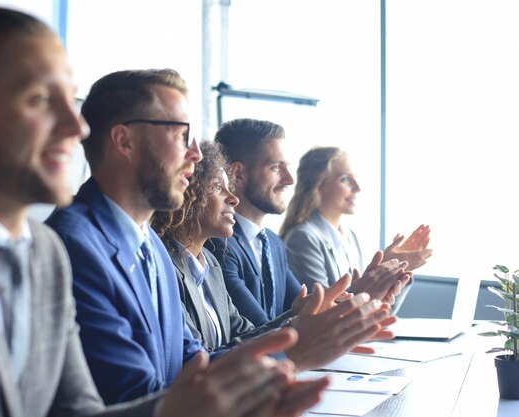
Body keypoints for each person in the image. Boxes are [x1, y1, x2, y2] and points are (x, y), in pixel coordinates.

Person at [0, 8, 329, 417]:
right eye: (41, 100)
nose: (78, 126)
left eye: (71, 99)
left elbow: (81, 410)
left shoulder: (43, 251)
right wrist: (289, 352)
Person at [45, 68, 345, 408]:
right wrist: (292, 349)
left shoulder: (154, 247)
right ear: (124, 140)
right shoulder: (71, 246)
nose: (196, 154)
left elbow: (193, 362)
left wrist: (296, 335)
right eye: (180, 135)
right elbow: (139, 395)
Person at [150, 141, 396, 363]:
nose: (233, 199)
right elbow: (197, 362)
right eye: (217, 187)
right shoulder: (165, 266)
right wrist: (296, 340)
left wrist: (294, 317)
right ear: (187, 195)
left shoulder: (210, 264)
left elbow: (245, 335)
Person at [210, 118, 411, 326]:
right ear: (238, 174)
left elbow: (311, 311)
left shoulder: (273, 243)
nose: (289, 179)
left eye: (287, 167)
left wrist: (370, 292)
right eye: (276, 167)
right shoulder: (219, 245)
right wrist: (361, 293)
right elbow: (259, 330)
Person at [279, 146, 432, 312]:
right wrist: (378, 276)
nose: (357, 187)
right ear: (319, 185)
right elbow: (320, 313)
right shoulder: (303, 238)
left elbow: (378, 311)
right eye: (345, 179)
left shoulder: (351, 237)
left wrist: (395, 272)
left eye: (356, 178)